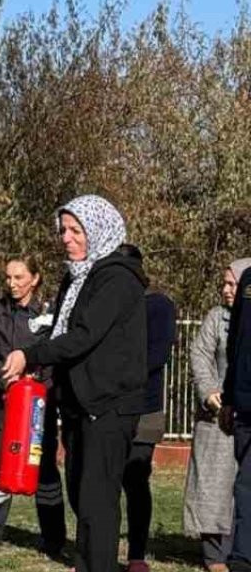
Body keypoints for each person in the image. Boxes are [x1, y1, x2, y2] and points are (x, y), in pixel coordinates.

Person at [2, 195, 148, 572]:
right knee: (82, 499)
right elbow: (61, 331)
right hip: (80, 404)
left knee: (98, 504)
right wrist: (41, 365)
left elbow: (84, 335)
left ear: (97, 231)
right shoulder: (77, 276)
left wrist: (30, 356)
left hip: (109, 406)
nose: (66, 238)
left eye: (75, 230)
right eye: (63, 230)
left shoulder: (116, 278)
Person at [0, 254, 66, 556]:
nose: (12, 284)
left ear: (34, 279)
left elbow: (56, 350)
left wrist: (36, 383)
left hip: (38, 402)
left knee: (44, 462)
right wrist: (4, 378)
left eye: (19, 278)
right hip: (1, 399)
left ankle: (53, 535)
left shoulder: (51, 312)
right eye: (8, 278)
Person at [185, 258, 249, 572]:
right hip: (218, 416)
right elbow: (200, 354)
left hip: (246, 414)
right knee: (214, 485)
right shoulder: (217, 318)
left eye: (232, 284)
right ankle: (215, 555)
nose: (226, 290)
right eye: (224, 283)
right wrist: (210, 391)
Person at [117, 244, 175, 572]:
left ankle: (136, 554)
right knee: (105, 482)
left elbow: (157, 355)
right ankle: (96, 550)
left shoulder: (158, 306)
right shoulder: (108, 306)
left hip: (143, 407)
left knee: (136, 479)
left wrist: (120, 376)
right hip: (108, 407)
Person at [223, 260, 251, 572]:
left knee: (247, 482)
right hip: (244, 401)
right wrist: (230, 397)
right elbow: (236, 344)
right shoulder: (248, 281)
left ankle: (243, 557)